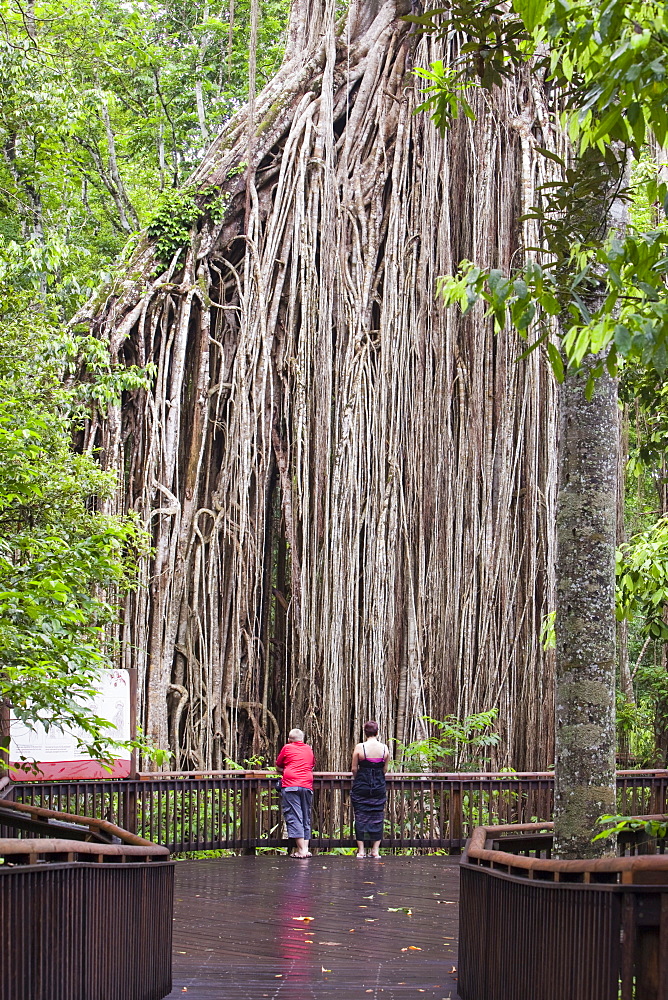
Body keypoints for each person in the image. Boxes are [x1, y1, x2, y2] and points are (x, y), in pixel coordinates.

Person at [350, 721, 390, 858]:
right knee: (378, 816)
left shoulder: (360, 747)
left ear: (365, 733)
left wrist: (359, 778)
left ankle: (361, 851)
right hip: (378, 785)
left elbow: (354, 769)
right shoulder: (384, 748)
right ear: (377, 732)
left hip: (362, 785)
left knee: (360, 816)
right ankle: (375, 850)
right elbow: (385, 769)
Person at [276, 728, 315, 858]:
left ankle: (302, 850)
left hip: (291, 785)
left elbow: (278, 764)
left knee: (294, 816)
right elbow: (312, 764)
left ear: (289, 739)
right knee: (305, 816)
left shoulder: (287, 748)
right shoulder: (308, 748)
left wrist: (286, 769)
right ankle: (305, 848)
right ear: (302, 740)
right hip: (307, 785)